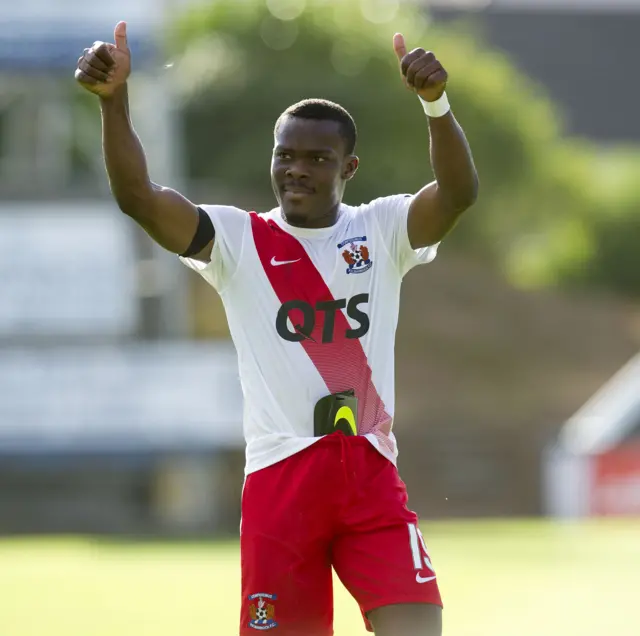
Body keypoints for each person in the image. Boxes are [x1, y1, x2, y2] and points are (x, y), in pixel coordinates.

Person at [75, 20, 478, 636]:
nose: (297, 170)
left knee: (420, 628)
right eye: (285, 155)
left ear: (350, 167)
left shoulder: (381, 229)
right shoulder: (238, 239)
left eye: (318, 159)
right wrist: (114, 101)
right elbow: (138, 197)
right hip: (280, 479)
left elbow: (456, 193)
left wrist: (436, 105)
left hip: (369, 470)